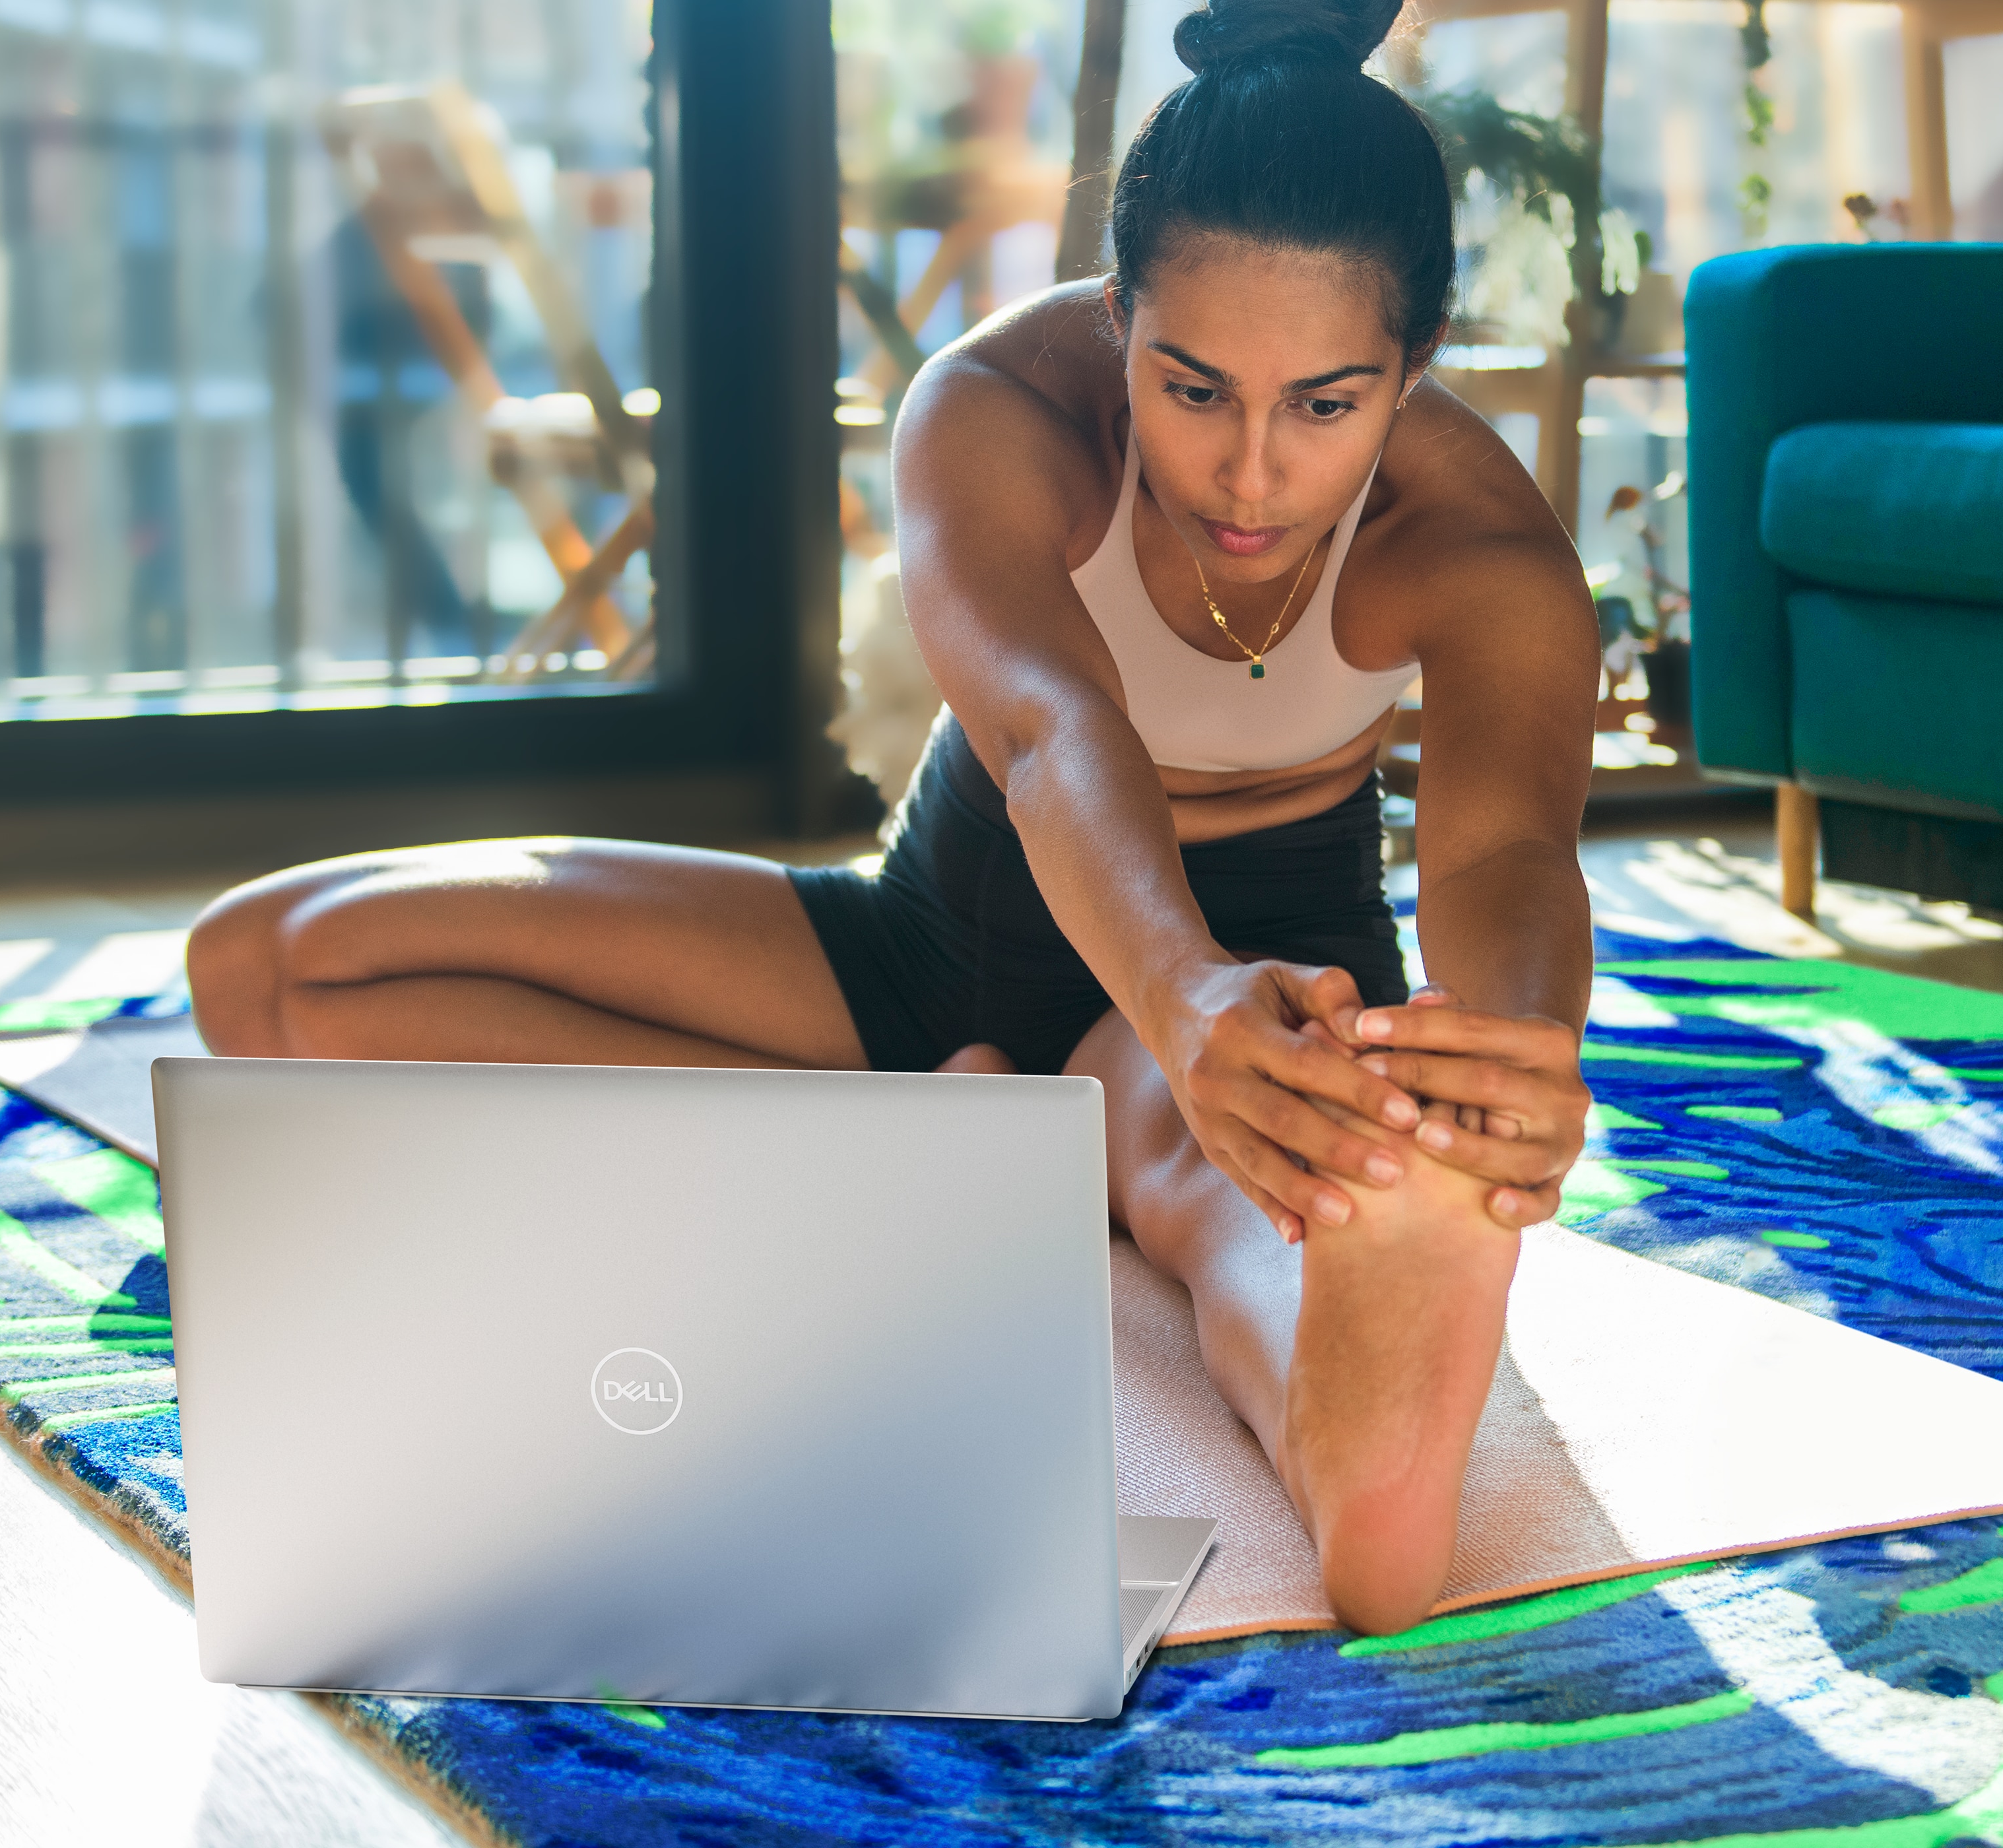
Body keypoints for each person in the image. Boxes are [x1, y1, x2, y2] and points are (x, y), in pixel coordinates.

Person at [186, 0, 1600, 1635]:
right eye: (1192, 387)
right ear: (1112, 316)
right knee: (273, 970)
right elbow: (1050, 730)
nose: (1252, 475)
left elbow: (1503, 852)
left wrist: (1505, 1061)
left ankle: (1362, 1441)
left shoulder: (1482, 543)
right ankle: (962, 1152)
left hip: (1267, 981)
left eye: (1327, 406)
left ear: (1411, 369)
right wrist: (1171, 987)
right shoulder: (996, 408)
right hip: (952, 931)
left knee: (1291, 1206)